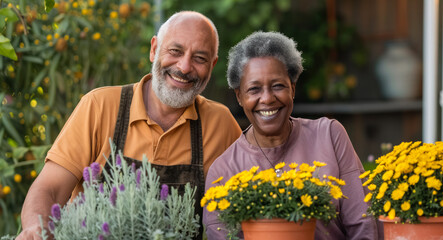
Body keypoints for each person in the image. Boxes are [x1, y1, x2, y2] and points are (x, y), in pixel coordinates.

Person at [17, 11, 242, 240]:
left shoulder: (220, 125)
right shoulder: (99, 106)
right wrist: (37, 229)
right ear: (154, 49)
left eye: (200, 58)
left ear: (212, 65)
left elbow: (249, 203)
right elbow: (50, 189)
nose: (184, 67)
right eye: (175, 51)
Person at [203, 31, 379, 239]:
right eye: (254, 89)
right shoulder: (224, 172)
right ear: (239, 97)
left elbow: (363, 225)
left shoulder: (329, 135)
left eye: (278, 86)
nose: (267, 99)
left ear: (292, 89)